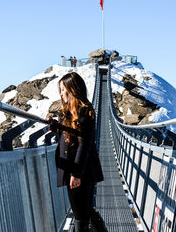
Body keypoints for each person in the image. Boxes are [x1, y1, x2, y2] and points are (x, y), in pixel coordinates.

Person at [47, 72, 107, 232]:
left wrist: (76, 174)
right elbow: (69, 135)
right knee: (85, 211)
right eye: (60, 90)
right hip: (76, 168)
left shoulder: (83, 111)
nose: (61, 94)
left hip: (79, 169)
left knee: (80, 215)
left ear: (73, 89)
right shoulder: (67, 112)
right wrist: (56, 127)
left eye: (63, 90)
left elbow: (84, 144)